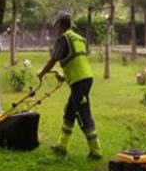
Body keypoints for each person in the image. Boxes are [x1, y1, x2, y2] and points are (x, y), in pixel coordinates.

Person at [37, 12, 102, 160]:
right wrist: (64, 76)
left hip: (79, 82)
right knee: (70, 111)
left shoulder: (63, 39)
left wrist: (41, 73)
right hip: (84, 78)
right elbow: (76, 62)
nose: (55, 29)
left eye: (56, 26)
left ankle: (96, 151)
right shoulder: (78, 38)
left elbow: (53, 60)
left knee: (83, 113)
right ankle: (62, 146)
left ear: (60, 24)